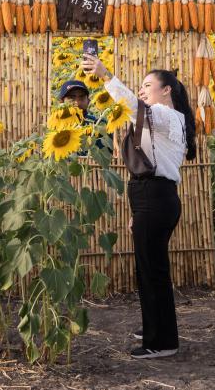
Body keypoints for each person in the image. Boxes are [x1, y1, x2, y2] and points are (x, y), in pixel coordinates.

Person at [82, 54, 197, 360]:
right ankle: (154, 330)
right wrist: (139, 212)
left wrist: (107, 76)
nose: (143, 90)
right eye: (141, 86)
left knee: (152, 271)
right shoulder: (167, 119)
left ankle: (161, 342)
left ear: (167, 90)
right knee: (150, 270)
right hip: (155, 199)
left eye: (149, 85)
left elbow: (135, 108)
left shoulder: (165, 115)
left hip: (155, 197)